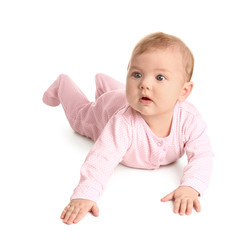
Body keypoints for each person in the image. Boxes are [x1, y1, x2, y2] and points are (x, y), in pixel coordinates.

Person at [43, 32, 213, 225]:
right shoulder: (123, 123)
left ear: (184, 91)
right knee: (79, 118)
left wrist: (191, 186)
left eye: (160, 77)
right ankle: (62, 84)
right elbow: (102, 157)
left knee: (122, 94)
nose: (144, 84)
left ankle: (102, 82)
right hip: (104, 111)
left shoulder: (189, 119)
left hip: (119, 97)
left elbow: (203, 155)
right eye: (137, 74)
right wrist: (86, 193)